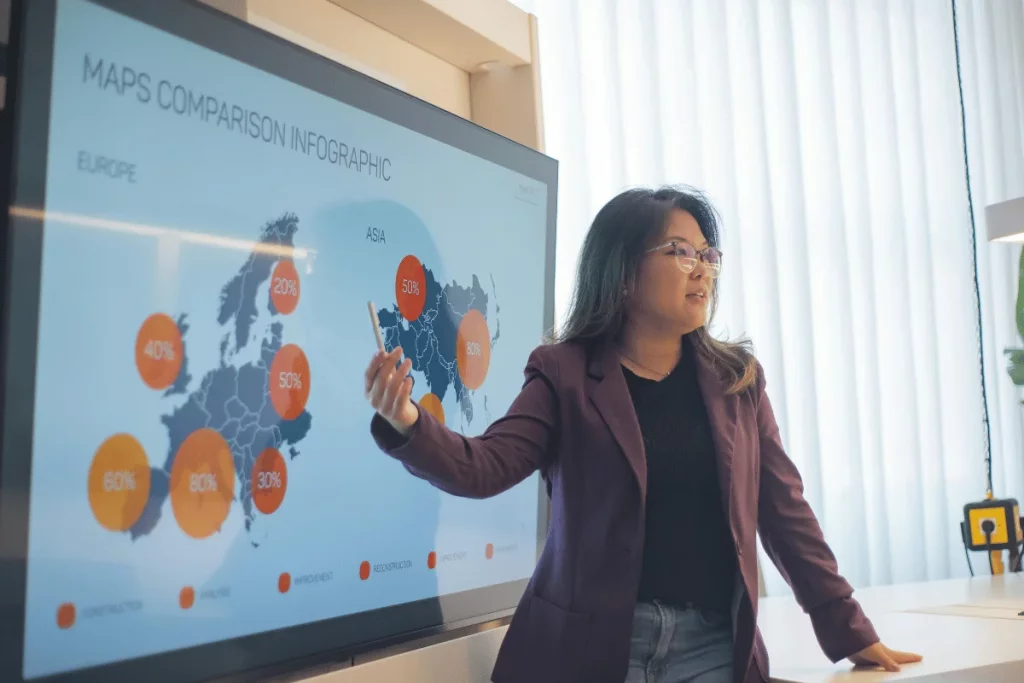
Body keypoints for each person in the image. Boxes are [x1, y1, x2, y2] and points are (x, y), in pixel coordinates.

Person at [364, 186, 921, 683]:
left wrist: (849, 630)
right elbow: (484, 466)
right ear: (624, 271)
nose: (702, 268)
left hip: (711, 649)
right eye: (681, 252)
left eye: (709, 254)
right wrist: (408, 421)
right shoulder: (564, 374)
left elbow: (784, 512)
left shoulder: (737, 383)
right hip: (590, 652)